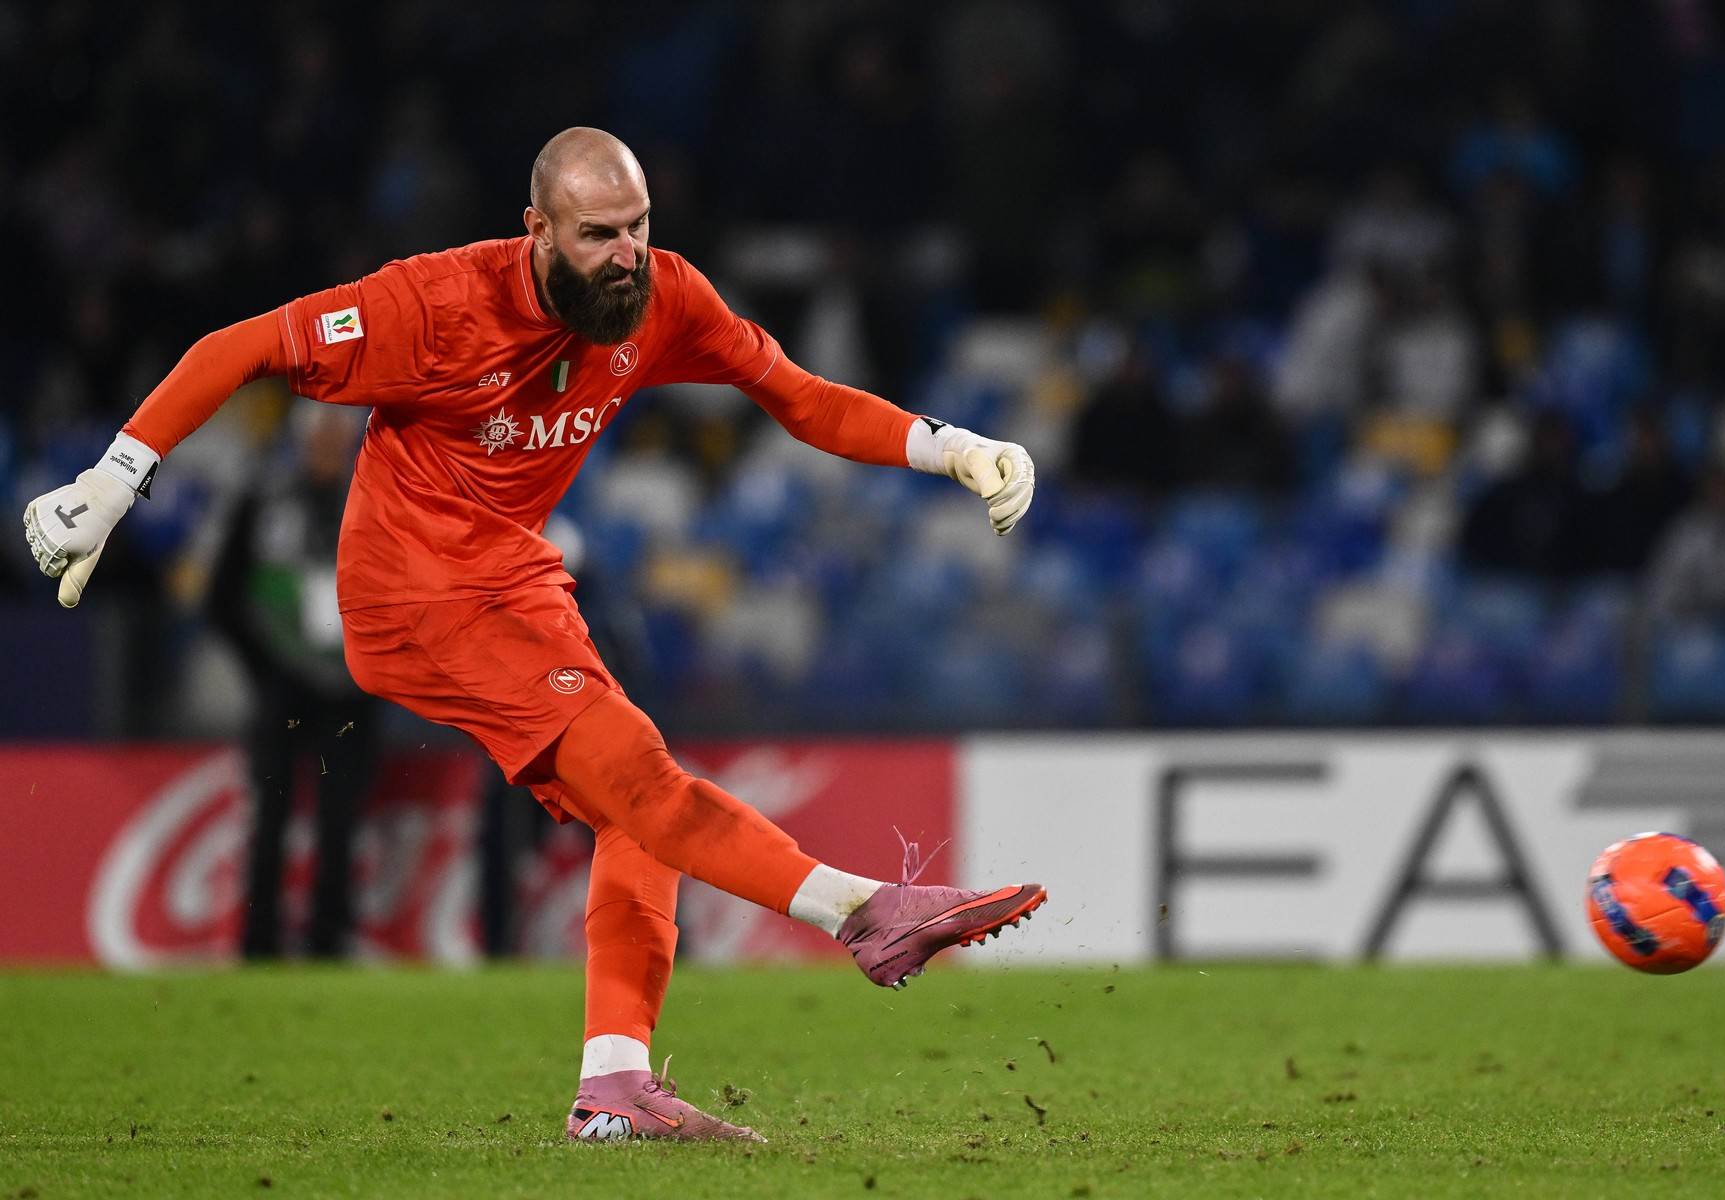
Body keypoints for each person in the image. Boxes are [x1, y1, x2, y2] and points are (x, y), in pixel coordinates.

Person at [23, 128, 1045, 1143]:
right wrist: (112, 486)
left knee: (635, 814)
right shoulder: (430, 305)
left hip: (515, 576)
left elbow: (798, 398)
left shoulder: (662, 296)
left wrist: (951, 450)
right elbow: (233, 349)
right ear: (538, 232)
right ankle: (861, 914)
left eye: (638, 227)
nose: (626, 254)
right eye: (599, 233)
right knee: (643, 777)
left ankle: (614, 1085)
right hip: (412, 596)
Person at [209, 402, 381, 960]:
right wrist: (265, 670)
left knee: (340, 819)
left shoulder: (377, 504)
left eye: (338, 438)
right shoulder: (264, 502)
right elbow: (223, 598)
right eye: (320, 438)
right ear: (301, 440)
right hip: (283, 686)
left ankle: (327, 944)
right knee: (271, 815)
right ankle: (257, 946)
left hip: (352, 691)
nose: (328, 449)